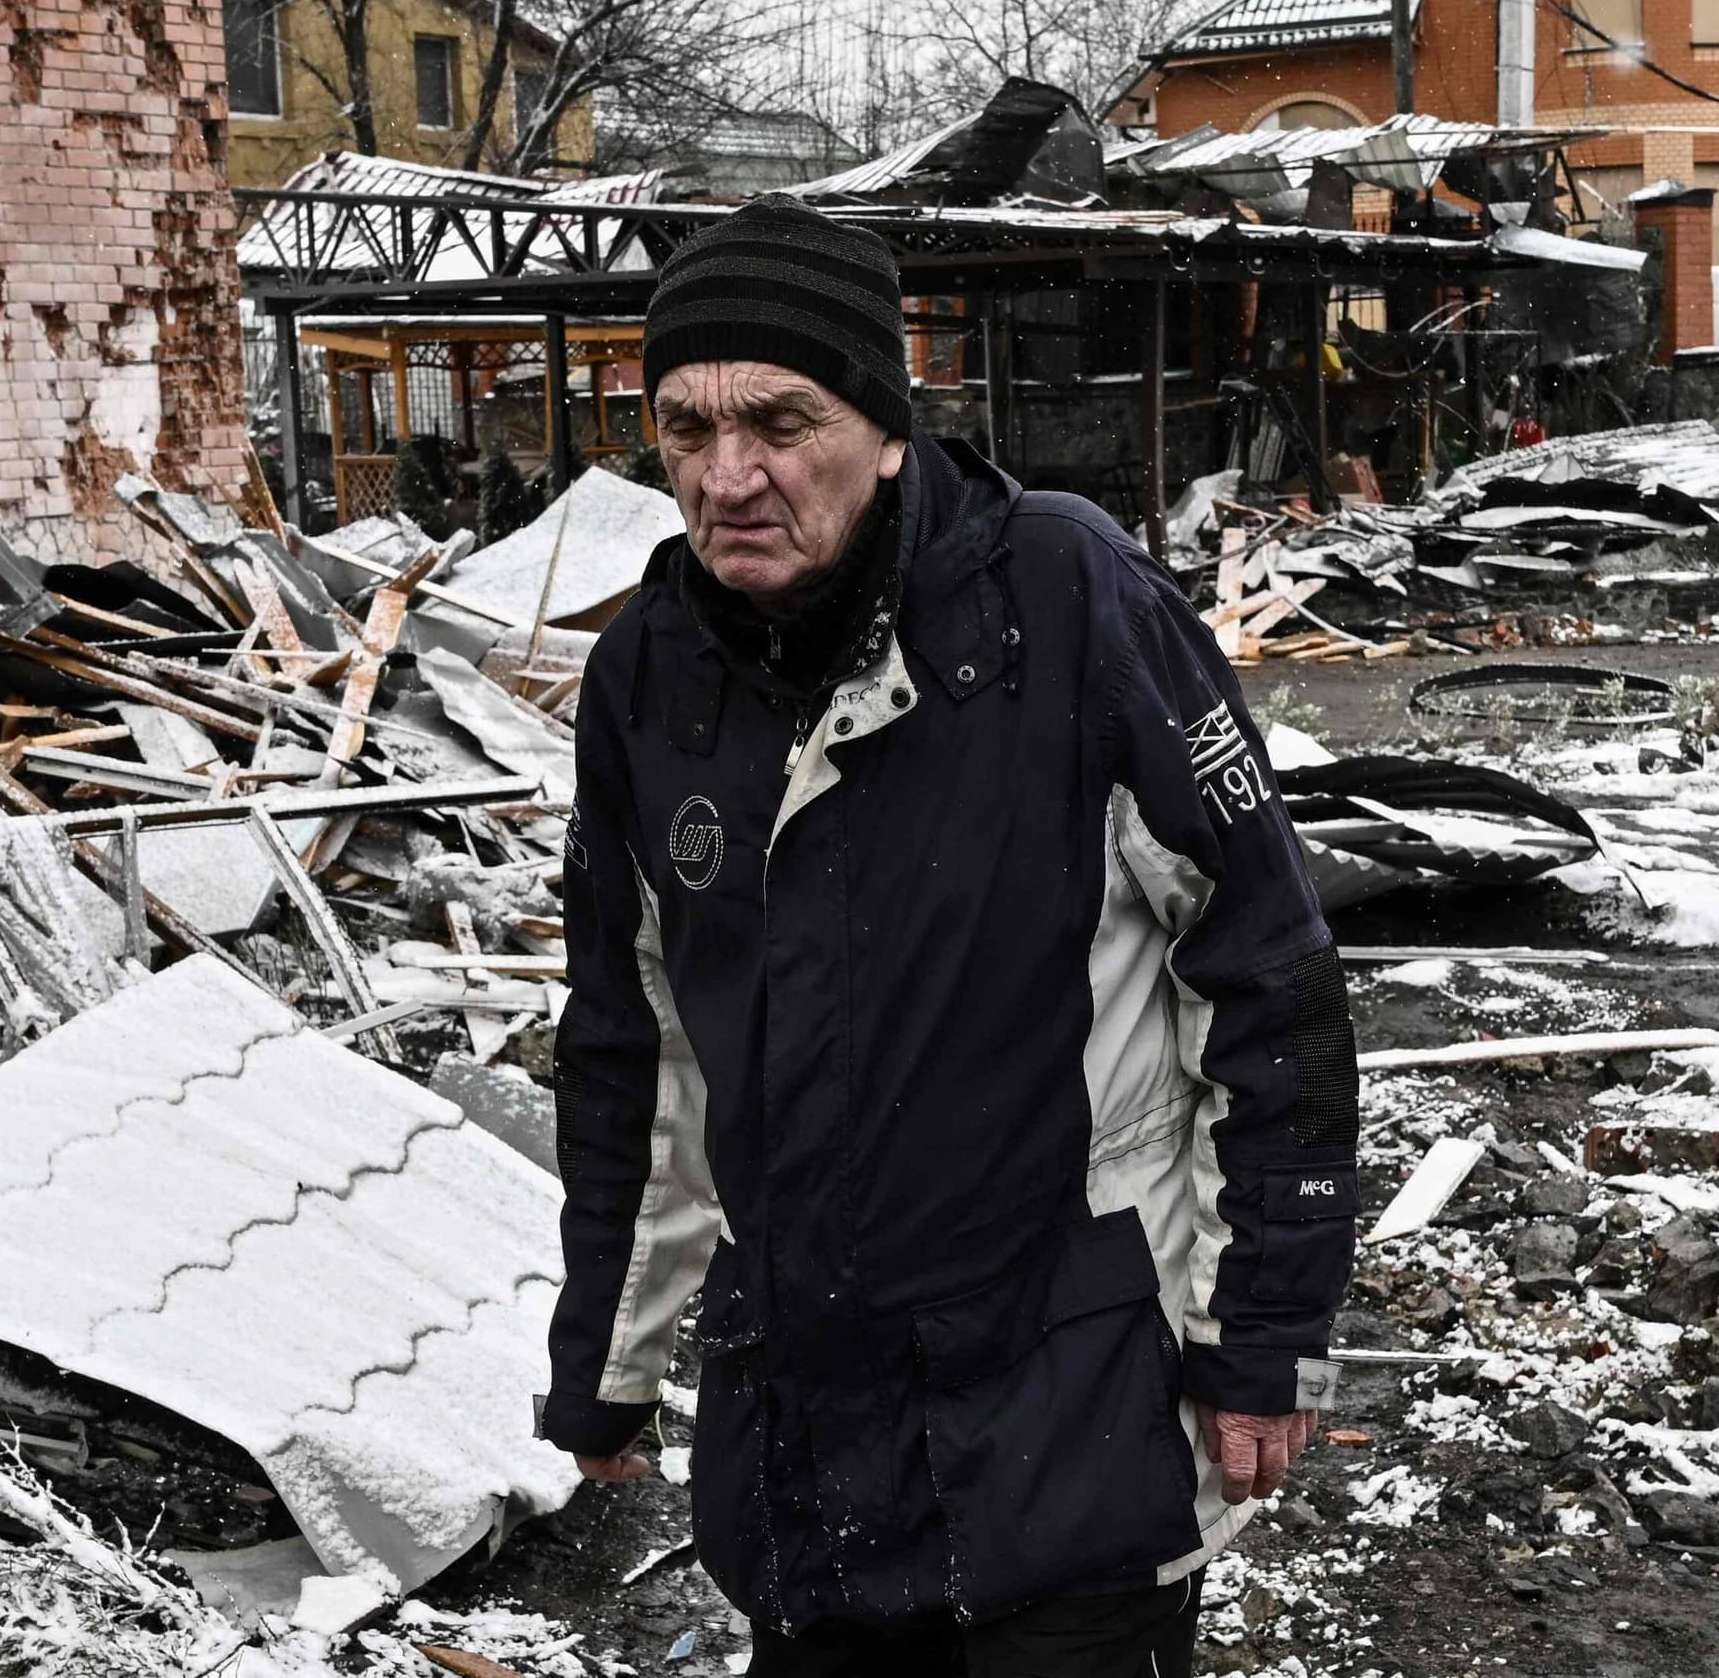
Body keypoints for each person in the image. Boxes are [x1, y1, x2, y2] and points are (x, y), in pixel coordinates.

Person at [542, 197, 1356, 1675]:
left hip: (1071, 1402)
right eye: (682, 430)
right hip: (802, 1426)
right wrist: (604, 1358)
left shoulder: (1065, 601)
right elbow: (628, 1042)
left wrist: (1267, 1336)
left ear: (887, 424)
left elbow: (1272, 982)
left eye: (782, 422)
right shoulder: (647, 677)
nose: (729, 476)